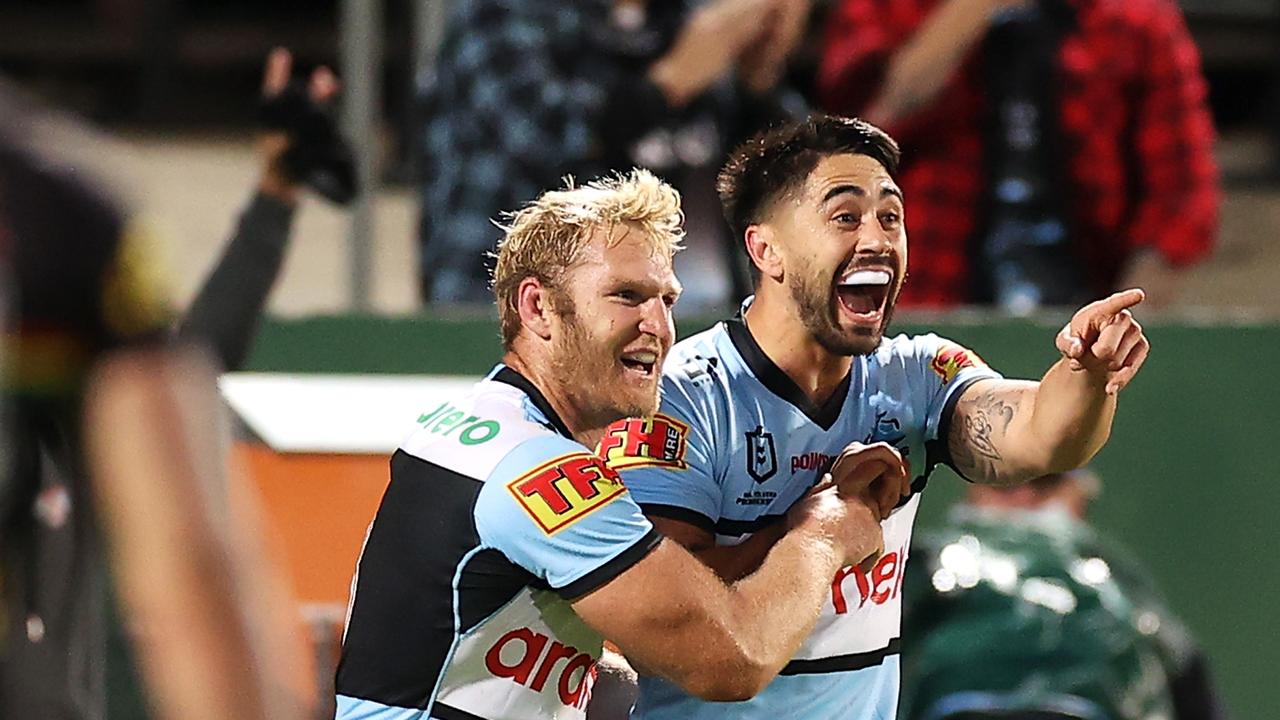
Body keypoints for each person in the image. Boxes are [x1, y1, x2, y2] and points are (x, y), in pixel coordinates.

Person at [601, 115, 1151, 719]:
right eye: (845, 217)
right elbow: (665, 622)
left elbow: (1040, 438)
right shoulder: (679, 398)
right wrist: (821, 528)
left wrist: (1087, 373)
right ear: (767, 249)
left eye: (891, 217)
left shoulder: (917, 376)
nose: (877, 239)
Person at [334, 169, 891, 720]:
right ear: (538, 309)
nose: (659, 326)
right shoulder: (541, 470)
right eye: (626, 296)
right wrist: (824, 531)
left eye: (666, 300)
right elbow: (732, 661)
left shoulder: (483, 425)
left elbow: (493, 652)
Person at [0, 49, 340, 720]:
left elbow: (193, 361)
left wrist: (272, 206)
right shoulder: (57, 217)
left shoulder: (65, 231)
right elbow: (192, 573)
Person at [816, 0, 1218, 310]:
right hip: (924, 308)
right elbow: (861, 128)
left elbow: (1183, 198)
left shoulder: (1133, 18)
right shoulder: (894, 8)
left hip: (1077, 306)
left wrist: (1117, 325)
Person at [417, 0, 813, 304]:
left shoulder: (692, 19)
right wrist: (673, 81)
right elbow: (544, 133)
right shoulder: (503, 13)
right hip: (515, 317)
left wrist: (758, 82)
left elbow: (797, 168)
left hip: (687, 318)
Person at [901, 469, 1230, 719]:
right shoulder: (1114, 582)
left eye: (1043, 483)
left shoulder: (923, 565)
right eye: (1007, 481)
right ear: (1078, 496)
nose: (1023, 497)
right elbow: (1189, 679)